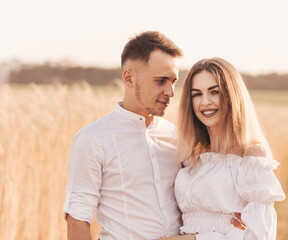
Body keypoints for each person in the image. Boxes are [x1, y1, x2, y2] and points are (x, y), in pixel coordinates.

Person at [63, 32, 244, 240]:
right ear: (129, 78)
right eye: (161, 81)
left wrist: (232, 214)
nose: (170, 92)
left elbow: (204, 194)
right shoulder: (93, 139)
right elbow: (78, 217)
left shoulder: (179, 138)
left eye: (173, 81)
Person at [173, 58, 286, 240]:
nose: (205, 102)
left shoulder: (250, 156)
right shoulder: (191, 155)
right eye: (197, 94)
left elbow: (259, 236)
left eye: (214, 92)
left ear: (231, 95)